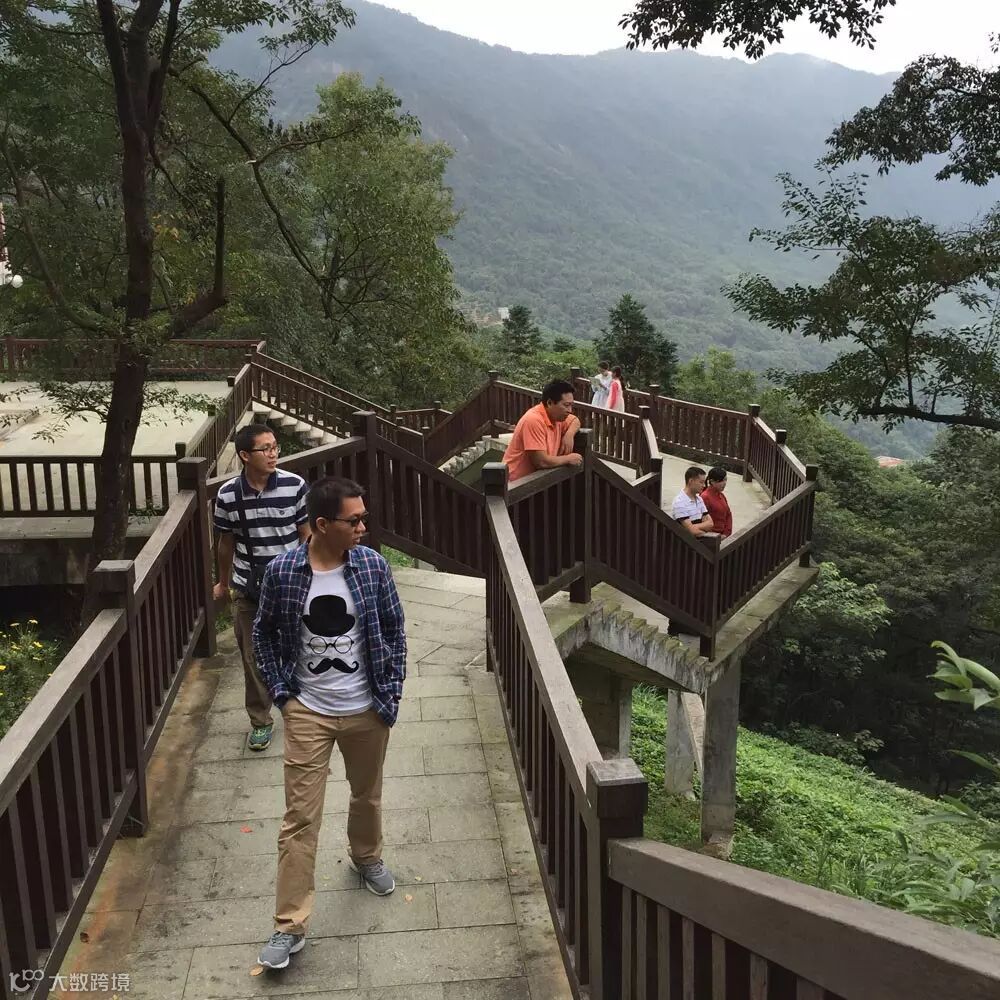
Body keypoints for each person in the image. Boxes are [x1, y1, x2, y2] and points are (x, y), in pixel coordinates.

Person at [254, 476, 406, 970]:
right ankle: (289, 925)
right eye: (354, 520)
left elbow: (394, 630)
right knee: (299, 818)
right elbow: (263, 634)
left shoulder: (372, 566)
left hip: (367, 708)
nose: (363, 527)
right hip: (309, 711)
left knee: (367, 795)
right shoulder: (283, 572)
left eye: (365, 517)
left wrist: (390, 693)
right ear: (322, 524)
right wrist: (283, 696)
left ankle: (367, 856)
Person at [213, 424, 310, 752]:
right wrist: (223, 582)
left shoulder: (294, 485)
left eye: (275, 447)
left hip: (290, 585)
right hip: (248, 587)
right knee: (252, 656)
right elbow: (225, 543)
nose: (273, 454)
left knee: (298, 648)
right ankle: (260, 720)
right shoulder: (228, 495)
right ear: (244, 455)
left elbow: (306, 535)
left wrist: (310, 574)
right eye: (265, 449)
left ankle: (300, 711)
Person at [502, 379, 583, 483]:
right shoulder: (533, 420)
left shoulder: (558, 417)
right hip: (514, 485)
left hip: (534, 482)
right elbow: (541, 461)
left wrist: (569, 435)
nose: (570, 410)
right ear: (549, 403)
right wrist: (568, 459)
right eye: (566, 405)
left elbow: (575, 421)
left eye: (571, 405)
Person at [670, 466, 715, 537]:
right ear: (691, 481)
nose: (704, 485)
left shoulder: (699, 499)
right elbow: (692, 531)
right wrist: (701, 529)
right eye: (701, 482)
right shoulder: (679, 502)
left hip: (697, 541)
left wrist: (693, 527)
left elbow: (710, 524)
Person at [701, 467, 733, 538]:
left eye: (725, 480)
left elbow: (728, 514)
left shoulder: (721, 495)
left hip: (723, 536)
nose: (724, 483)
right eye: (721, 481)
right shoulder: (705, 497)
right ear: (712, 481)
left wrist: (726, 533)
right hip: (712, 537)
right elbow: (702, 520)